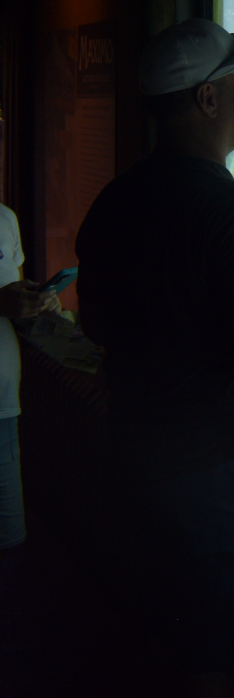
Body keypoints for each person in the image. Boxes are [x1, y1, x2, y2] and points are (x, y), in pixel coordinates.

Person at [76, 19, 234, 697]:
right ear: (207, 100)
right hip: (221, 478)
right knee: (220, 660)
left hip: (136, 456)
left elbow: (97, 322)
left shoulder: (114, 201)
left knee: (162, 641)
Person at [0, 202, 62, 555]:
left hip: (3, 408)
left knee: (9, 543)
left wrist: (39, 307)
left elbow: (15, 311)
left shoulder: (5, 219)